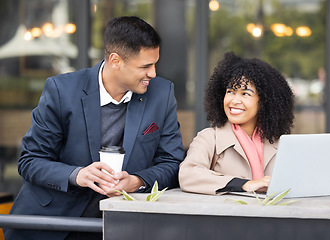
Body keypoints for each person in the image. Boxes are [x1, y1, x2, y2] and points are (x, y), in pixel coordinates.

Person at [5, 16, 185, 240]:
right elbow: (30, 160)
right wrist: (76, 175)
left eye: (155, 64)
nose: (153, 73)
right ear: (115, 61)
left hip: (121, 226)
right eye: (145, 66)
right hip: (51, 223)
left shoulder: (162, 94)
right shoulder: (61, 90)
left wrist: (137, 181)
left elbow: (172, 163)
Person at [179, 52, 294, 195]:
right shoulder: (209, 138)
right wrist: (244, 185)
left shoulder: (280, 141)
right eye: (230, 92)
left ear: (264, 101)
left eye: (245, 94)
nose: (234, 100)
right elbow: (187, 175)